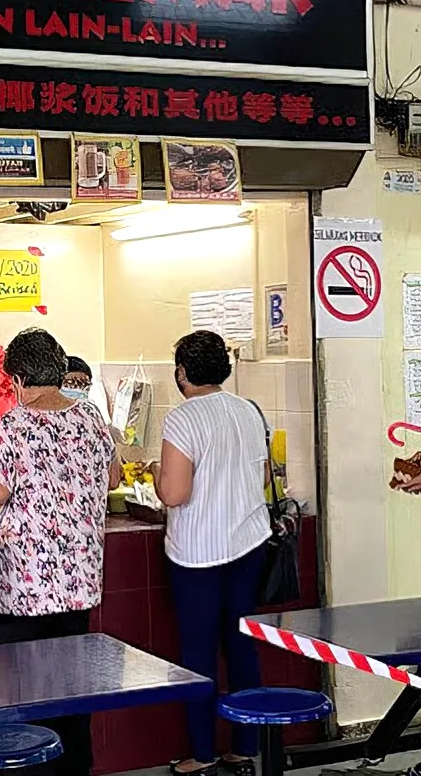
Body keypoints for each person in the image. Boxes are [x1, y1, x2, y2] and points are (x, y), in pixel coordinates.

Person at [0, 329, 121, 776]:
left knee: (23, 688)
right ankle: (75, 767)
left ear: (20, 379)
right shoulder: (92, 417)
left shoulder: (15, 424)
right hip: (78, 582)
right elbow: (114, 476)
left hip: (26, 584)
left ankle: (28, 769)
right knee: (71, 686)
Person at [152, 331, 270, 776]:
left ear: (182, 373)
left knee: (198, 653)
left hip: (198, 554)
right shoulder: (249, 411)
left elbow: (176, 493)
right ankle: (246, 748)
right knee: (243, 647)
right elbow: (260, 481)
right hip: (248, 545)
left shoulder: (182, 419)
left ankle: (201, 755)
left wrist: (159, 479)